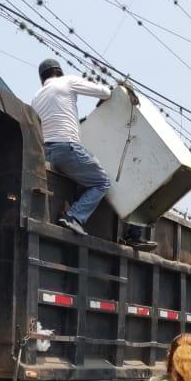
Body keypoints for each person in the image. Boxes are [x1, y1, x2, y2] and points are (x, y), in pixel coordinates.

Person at [31, 58, 157, 251]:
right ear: (59, 71)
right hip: (67, 148)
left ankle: (70, 209)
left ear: (42, 78)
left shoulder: (36, 97)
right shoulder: (67, 81)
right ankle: (73, 217)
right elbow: (105, 93)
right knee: (101, 182)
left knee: (82, 180)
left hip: (47, 153)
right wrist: (116, 89)